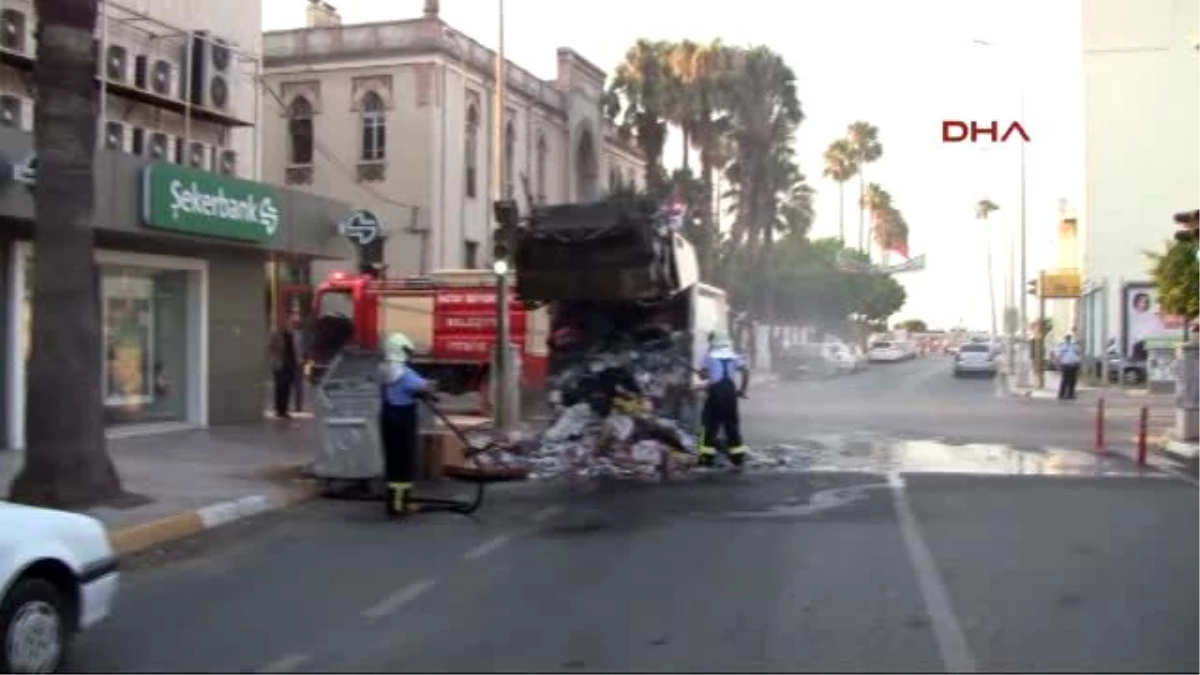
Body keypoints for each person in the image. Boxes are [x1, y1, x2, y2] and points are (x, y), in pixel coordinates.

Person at [378, 332, 436, 518]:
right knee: (404, 462)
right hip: (403, 420)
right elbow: (425, 387)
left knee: (393, 461)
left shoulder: (384, 370)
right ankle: (400, 505)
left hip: (387, 417)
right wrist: (432, 387)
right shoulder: (405, 373)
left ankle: (393, 501)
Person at [698, 331, 750, 468]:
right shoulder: (733, 355)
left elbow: (703, 376)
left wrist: (704, 374)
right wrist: (742, 390)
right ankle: (737, 457)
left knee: (710, 424)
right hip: (730, 391)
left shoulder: (708, 355)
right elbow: (745, 371)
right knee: (731, 424)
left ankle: (706, 457)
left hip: (716, 391)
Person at [268, 312, 302, 419]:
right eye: (289, 323)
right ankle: (279, 410)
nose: (290, 325)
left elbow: (297, 349)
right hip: (280, 364)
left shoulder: (294, 335)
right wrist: (274, 358)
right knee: (279, 388)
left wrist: (299, 360)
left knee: (287, 388)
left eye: (292, 323)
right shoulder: (277, 334)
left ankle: (284, 410)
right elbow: (271, 347)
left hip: (290, 365)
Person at [1056, 333, 1082, 400]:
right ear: (1065, 339)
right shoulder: (1063, 347)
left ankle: (1071, 394)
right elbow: (1059, 356)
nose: (1068, 339)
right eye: (1067, 338)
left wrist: (1078, 363)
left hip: (1073, 365)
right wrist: (1058, 365)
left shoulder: (1075, 346)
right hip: (1066, 365)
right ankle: (1061, 394)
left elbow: (1078, 354)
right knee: (1064, 380)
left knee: (1072, 381)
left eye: (1069, 338)